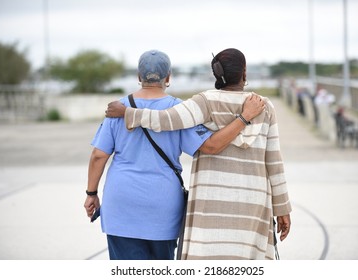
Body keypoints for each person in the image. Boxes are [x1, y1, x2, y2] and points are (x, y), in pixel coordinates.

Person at [105, 48, 292, 260]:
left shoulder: (204, 102)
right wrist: (282, 208)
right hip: (252, 199)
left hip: (209, 199)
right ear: (244, 72)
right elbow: (274, 162)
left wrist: (128, 113)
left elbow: (165, 120)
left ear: (216, 74)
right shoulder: (264, 107)